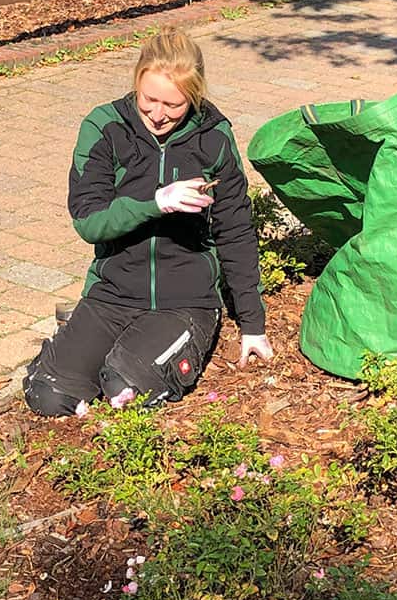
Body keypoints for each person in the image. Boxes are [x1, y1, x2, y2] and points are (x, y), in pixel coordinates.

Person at [23, 26, 273, 417]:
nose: (158, 115)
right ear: (136, 83)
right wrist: (156, 202)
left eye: (173, 105)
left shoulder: (214, 138)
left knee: (126, 387)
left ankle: (136, 361)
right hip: (112, 295)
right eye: (148, 100)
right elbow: (88, 221)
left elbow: (235, 229)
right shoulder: (105, 127)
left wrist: (252, 324)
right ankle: (77, 350)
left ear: (194, 97)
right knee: (48, 396)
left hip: (184, 303)